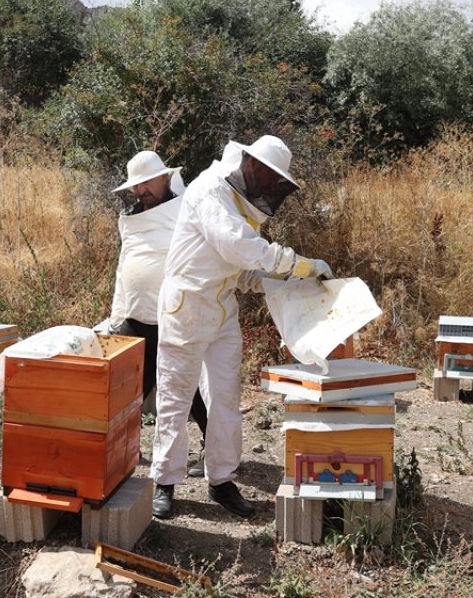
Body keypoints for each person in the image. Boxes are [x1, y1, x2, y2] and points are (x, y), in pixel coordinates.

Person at [150, 135, 331, 520]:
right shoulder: (210, 192)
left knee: (226, 399)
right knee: (175, 398)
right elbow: (243, 248)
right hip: (186, 308)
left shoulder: (239, 202)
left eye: (275, 182)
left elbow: (242, 271)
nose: (269, 187)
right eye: (268, 177)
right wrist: (301, 264)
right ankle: (164, 481)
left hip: (221, 310)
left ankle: (221, 480)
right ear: (250, 164)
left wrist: (289, 283)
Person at [106, 151, 211, 477]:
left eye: (147, 182)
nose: (140, 190)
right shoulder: (131, 218)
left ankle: (214, 450)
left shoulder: (187, 209)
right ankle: (122, 450)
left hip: (176, 315)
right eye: (135, 186)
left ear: (166, 177)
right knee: (128, 388)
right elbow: (124, 266)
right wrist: (116, 317)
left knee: (189, 386)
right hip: (135, 315)